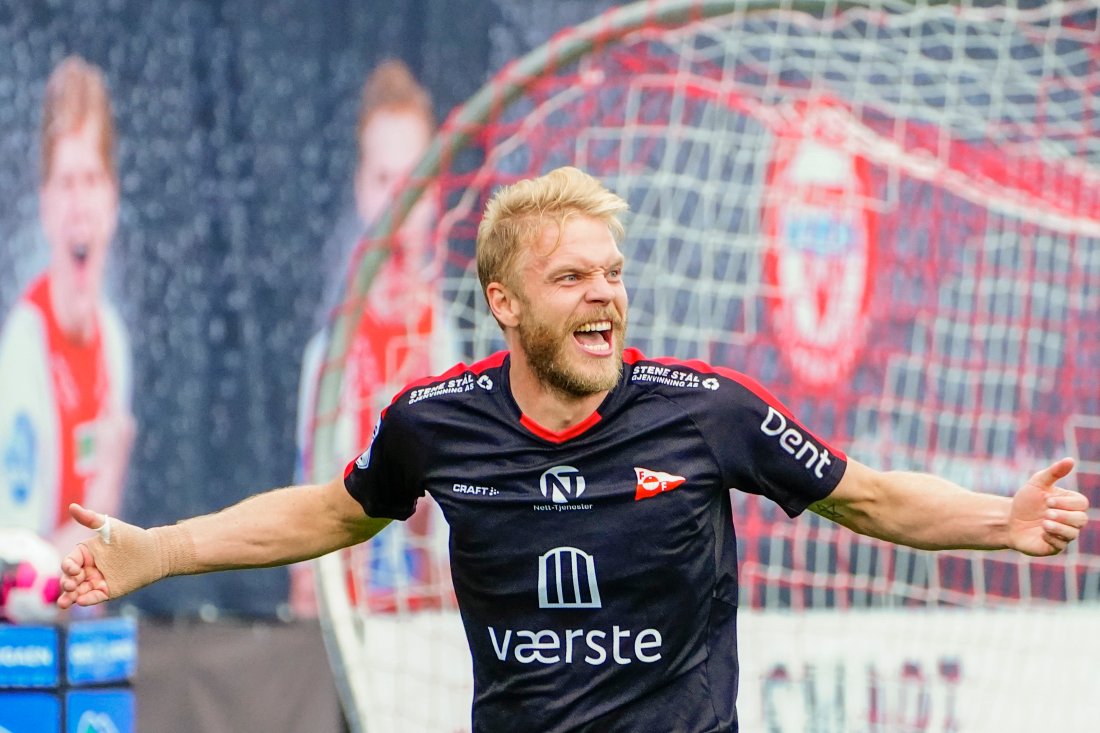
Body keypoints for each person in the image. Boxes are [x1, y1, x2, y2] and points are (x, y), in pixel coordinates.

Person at [58, 167, 1088, 732]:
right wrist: (168, 548)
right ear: (503, 304)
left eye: (613, 273)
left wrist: (998, 521)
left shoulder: (706, 412)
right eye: (571, 278)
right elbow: (332, 512)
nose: (604, 294)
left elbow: (863, 499)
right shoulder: (432, 420)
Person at [291, 59, 450, 615]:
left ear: (434, 196)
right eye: (386, 181)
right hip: (353, 638)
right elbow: (305, 566)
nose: (399, 206)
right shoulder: (330, 361)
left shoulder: (454, 346)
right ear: (361, 191)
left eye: (414, 183)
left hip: (428, 648)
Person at [0, 55, 134, 556]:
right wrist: (104, 495)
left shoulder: (113, 342)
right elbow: (17, 569)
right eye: (66, 182)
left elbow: (102, 556)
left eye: (92, 180)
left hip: (79, 618)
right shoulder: (24, 347)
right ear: (45, 206)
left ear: (113, 201)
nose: (80, 203)